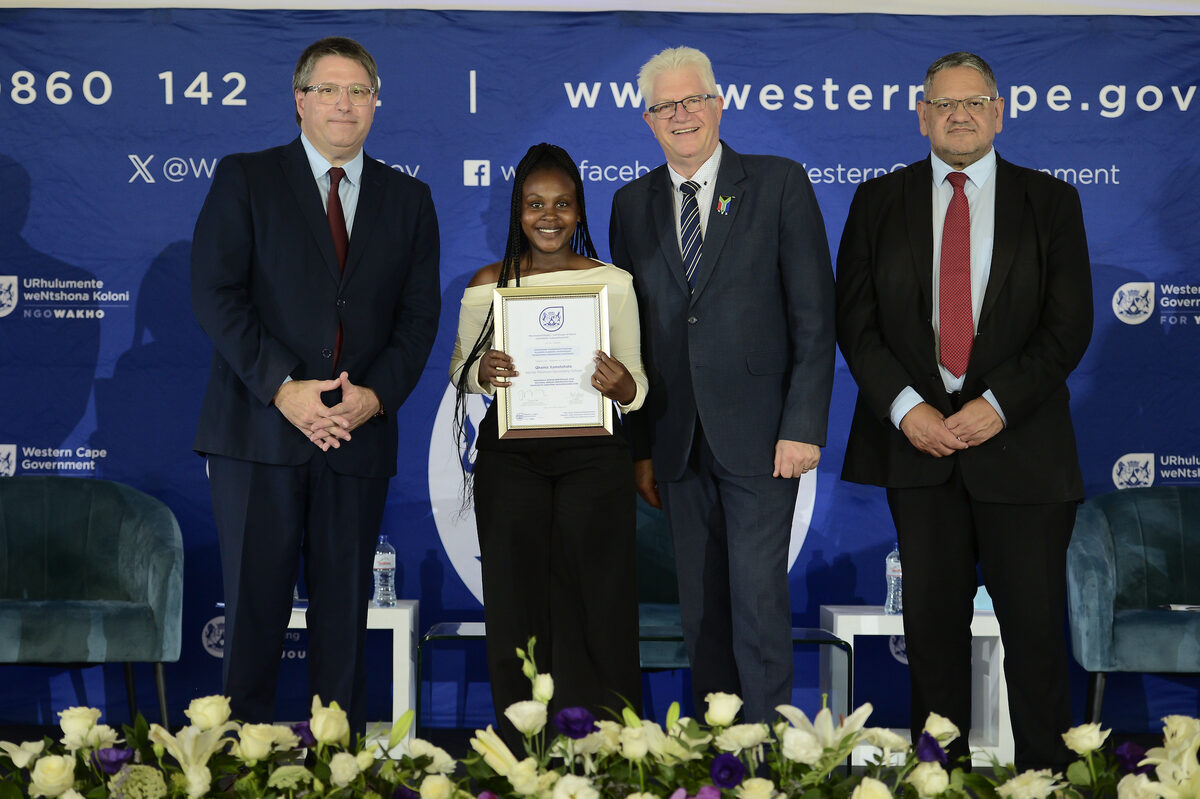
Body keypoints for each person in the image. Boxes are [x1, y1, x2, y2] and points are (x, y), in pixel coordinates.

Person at [836, 52, 1092, 770]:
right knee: (933, 644)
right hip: (919, 455)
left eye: (974, 102)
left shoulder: (1051, 201)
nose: (959, 115)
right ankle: (938, 782)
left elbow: (1067, 326)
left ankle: (1044, 780)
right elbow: (855, 324)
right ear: (921, 115)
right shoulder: (876, 201)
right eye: (944, 104)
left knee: (1037, 643)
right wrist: (908, 408)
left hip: (1024, 455)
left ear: (999, 112)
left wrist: (998, 406)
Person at [190, 36, 440, 733]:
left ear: (375, 105)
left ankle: (342, 767)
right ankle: (240, 764)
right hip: (258, 431)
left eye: (358, 91)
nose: (344, 104)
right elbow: (215, 294)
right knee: (253, 615)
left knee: (343, 623)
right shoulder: (246, 177)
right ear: (299, 101)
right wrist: (285, 388)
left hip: (355, 439)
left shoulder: (409, 198)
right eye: (329, 90)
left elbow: (419, 319)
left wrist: (374, 397)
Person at [609, 47, 835, 724]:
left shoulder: (777, 182)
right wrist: (641, 448)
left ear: (718, 103)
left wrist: (803, 425)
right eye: (665, 106)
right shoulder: (630, 203)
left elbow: (813, 316)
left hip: (764, 437)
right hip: (676, 441)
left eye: (692, 100)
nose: (681, 116)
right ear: (648, 120)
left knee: (758, 606)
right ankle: (718, 757)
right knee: (701, 611)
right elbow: (634, 336)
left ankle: (771, 757)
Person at [451, 143, 647, 747]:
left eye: (562, 203)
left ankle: (607, 747)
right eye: (535, 204)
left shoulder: (612, 284)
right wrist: (484, 372)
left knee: (599, 603)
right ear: (517, 212)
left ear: (579, 211)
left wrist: (625, 386)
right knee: (514, 605)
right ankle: (521, 751)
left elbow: (637, 384)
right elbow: (460, 370)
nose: (549, 216)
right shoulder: (489, 284)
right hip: (511, 463)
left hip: (596, 460)